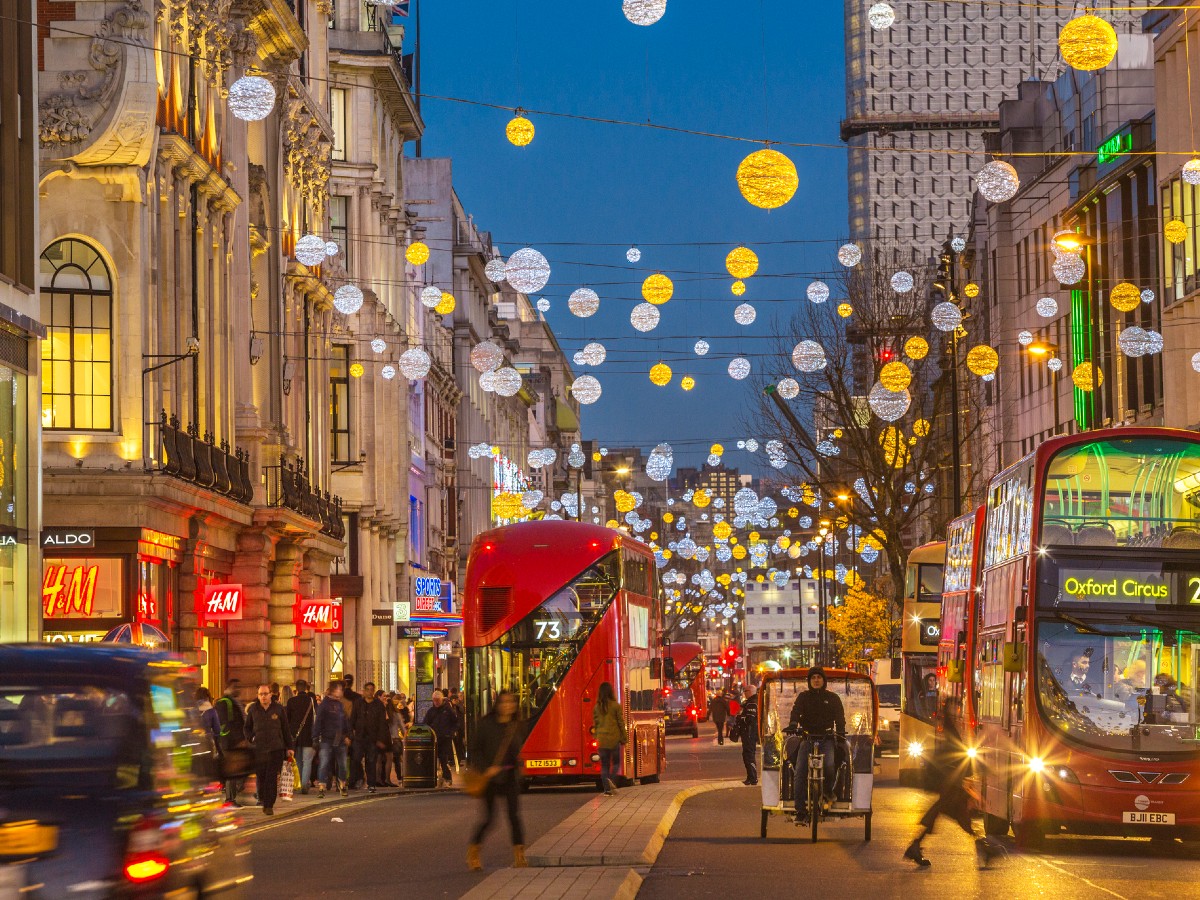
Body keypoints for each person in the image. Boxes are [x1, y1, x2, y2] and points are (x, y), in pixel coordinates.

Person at [904, 697, 1003, 868]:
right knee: (953, 814)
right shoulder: (952, 737)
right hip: (950, 785)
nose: (959, 718)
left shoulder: (953, 737)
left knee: (950, 815)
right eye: (956, 715)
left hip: (951, 784)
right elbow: (962, 759)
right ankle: (983, 848)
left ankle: (916, 846)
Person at [466, 691, 527, 871]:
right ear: (497, 704)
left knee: (514, 816)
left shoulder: (518, 725)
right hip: (490, 779)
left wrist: (519, 766)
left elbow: (516, 752)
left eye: (512, 702)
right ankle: (473, 852)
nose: (508, 705)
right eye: (504, 702)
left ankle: (520, 856)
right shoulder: (486, 724)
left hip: (509, 777)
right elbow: (474, 751)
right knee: (489, 819)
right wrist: (487, 768)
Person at [789, 666, 846, 823]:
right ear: (809, 681)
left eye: (819, 678)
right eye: (813, 678)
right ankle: (800, 810)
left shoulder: (833, 698)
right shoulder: (803, 697)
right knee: (800, 771)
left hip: (826, 738)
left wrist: (840, 734)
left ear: (823, 680)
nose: (816, 680)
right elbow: (796, 711)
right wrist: (793, 724)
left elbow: (840, 718)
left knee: (829, 765)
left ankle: (828, 791)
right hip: (807, 738)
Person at [244, 684, 295, 816]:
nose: (263, 697)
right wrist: (251, 738)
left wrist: (290, 747)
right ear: (258, 695)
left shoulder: (278, 709)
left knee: (271, 777)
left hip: (276, 748)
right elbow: (247, 728)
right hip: (259, 749)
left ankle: (269, 805)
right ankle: (262, 798)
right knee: (261, 777)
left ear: (270, 694)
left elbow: (285, 729)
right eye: (261, 694)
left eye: (265, 694)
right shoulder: (253, 709)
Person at [314, 681, 350, 798]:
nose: (342, 691)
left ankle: (342, 785)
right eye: (340, 689)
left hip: (340, 739)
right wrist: (315, 737)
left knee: (343, 765)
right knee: (324, 763)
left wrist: (348, 735)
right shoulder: (324, 704)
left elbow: (344, 721)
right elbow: (318, 721)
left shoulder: (340, 705)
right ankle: (322, 787)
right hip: (327, 739)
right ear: (334, 690)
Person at [215, 678, 248, 805]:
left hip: (236, 741)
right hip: (230, 742)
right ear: (228, 687)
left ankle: (233, 797)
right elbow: (227, 724)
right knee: (232, 771)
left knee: (239, 770)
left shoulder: (234, 702)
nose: (238, 690)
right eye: (235, 687)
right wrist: (238, 739)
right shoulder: (224, 702)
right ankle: (230, 799)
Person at [592, 681, 627, 794]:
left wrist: (596, 736)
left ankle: (607, 789)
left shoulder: (597, 707)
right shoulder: (615, 706)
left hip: (602, 740)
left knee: (604, 766)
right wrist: (624, 738)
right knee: (616, 763)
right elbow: (620, 723)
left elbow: (595, 725)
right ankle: (611, 780)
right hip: (614, 739)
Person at [286, 680, 318, 794]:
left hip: (295, 738)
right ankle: (304, 785)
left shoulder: (291, 702)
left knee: (298, 762)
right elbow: (316, 718)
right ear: (306, 688)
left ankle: (298, 785)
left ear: (296, 688)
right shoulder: (311, 701)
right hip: (309, 737)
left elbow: (287, 721)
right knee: (307, 762)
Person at [357, 683, 389, 793]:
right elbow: (353, 719)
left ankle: (371, 783)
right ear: (364, 691)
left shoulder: (378, 705)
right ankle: (358, 780)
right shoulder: (359, 704)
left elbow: (382, 723)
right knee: (356, 759)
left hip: (372, 738)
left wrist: (380, 739)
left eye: (372, 690)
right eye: (368, 690)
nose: (370, 692)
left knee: (371, 761)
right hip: (360, 737)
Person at [424, 689, 459, 787]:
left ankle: (447, 778)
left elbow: (455, 722)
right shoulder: (431, 711)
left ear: (441, 699)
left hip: (445, 738)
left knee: (444, 759)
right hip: (434, 739)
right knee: (433, 759)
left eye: (437, 700)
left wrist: (451, 733)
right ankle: (435, 778)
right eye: (434, 700)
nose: (436, 702)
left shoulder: (448, 710)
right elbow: (425, 723)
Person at [736, 683, 759, 785]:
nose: (744, 694)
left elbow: (750, 719)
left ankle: (753, 778)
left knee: (749, 755)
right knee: (747, 754)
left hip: (749, 733)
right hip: (749, 732)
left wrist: (740, 718)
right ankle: (750, 777)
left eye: (745, 691)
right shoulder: (752, 702)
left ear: (749, 692)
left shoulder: (752, 703)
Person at [450, 687, 467, 767]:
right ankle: (455, 761)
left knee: (459, 746)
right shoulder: (451, 709)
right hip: (455, 730)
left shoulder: (458, 707)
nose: (457, 701)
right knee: (455, 746)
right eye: (456, 700)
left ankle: (458, 760)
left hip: (459, 730)